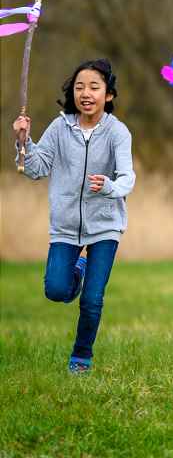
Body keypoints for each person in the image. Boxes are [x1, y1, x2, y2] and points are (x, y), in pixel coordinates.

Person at [13, 58, 136, 374]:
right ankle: (77, 270)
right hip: (66, 226)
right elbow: (36, 168)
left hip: (105, 225)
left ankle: (81, 358)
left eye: (94, 87)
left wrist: (108, 186)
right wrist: (23, 141)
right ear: (73, 93)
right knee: (56, 290)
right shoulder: (60, 128)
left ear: (108, 95)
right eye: (80, 86)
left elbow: (127, 179)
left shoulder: (117, 133)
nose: (86, 93)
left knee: (92, 300)